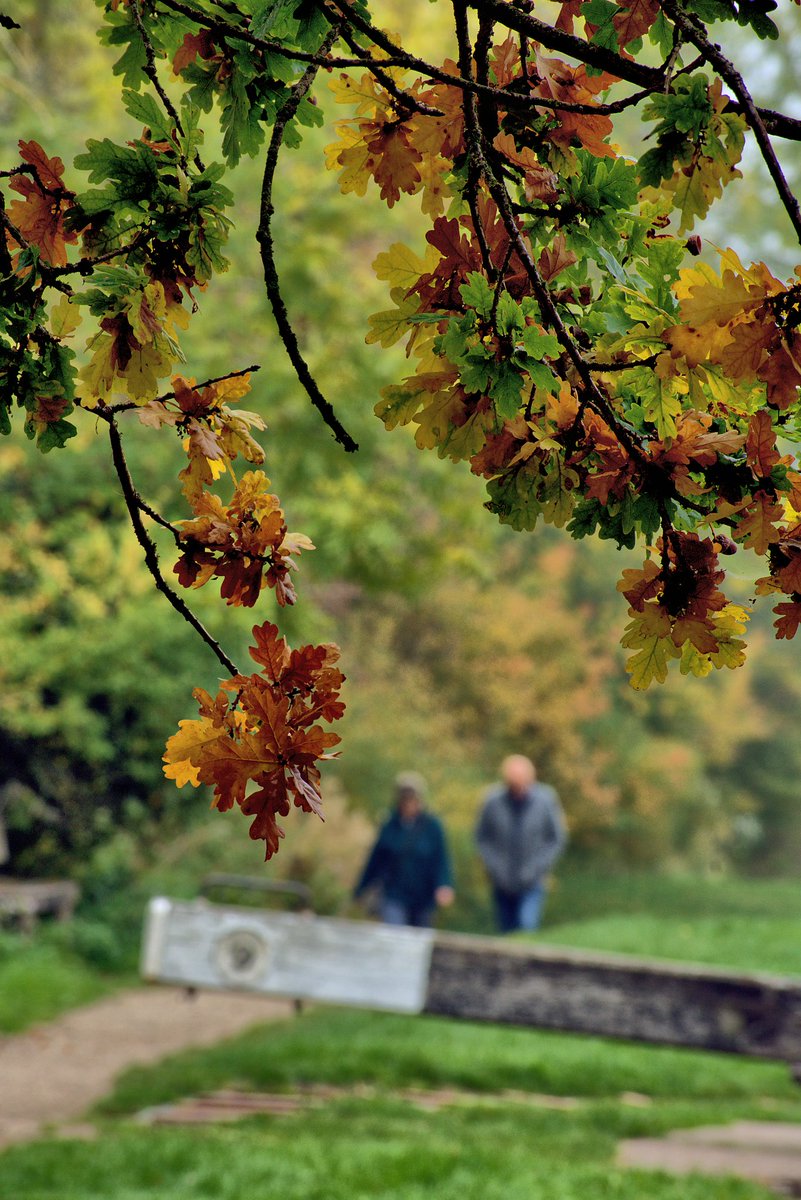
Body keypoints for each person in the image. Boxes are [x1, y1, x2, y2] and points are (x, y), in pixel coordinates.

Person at [475, 754, 567, 934]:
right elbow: (481, 838)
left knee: (526, 927)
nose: (518, 788)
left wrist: (539, 867)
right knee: (506, 930)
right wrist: (494, 867)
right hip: (501, 880)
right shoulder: (492, 801)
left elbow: (556, 839)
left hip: (533, 879)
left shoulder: (545, 800)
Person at [354, 772, 455, 928]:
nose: (409, 804)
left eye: (413, 799)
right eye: (405, 799)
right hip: (393, 893)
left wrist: (444, 885)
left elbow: (441, 859)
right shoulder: (389, 824)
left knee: (419, 941)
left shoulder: (432, 826)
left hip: (423, 897)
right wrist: (360, 890)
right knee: (395, 937)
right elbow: (375, 860)